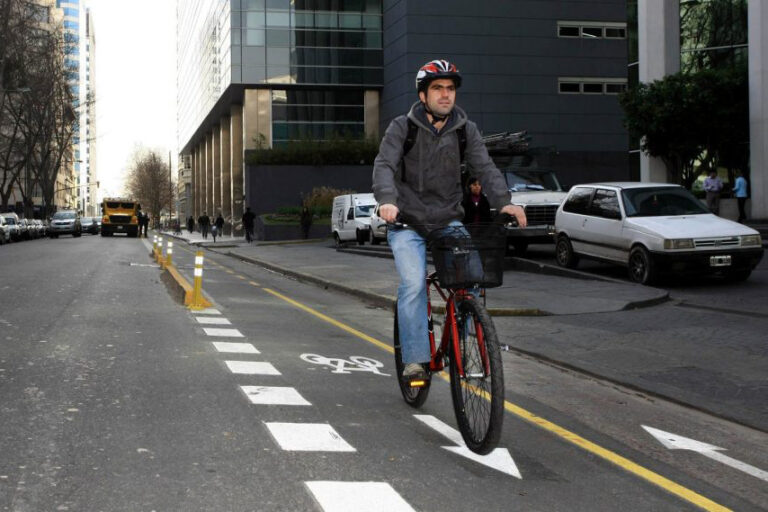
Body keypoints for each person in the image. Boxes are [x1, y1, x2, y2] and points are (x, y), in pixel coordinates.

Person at [372, 59, 526, 382]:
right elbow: (384, 165)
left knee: (472, 277)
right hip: (406, 222)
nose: (445, 95)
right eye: (438, 88)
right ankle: (414, 360)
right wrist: (387, 200)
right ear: (423, 95)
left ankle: (465, 331)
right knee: (414, 285)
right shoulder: (403, 127)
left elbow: (485, 168)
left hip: (447, 219)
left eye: (450, 88)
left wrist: (505, 203)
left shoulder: (465, 130)